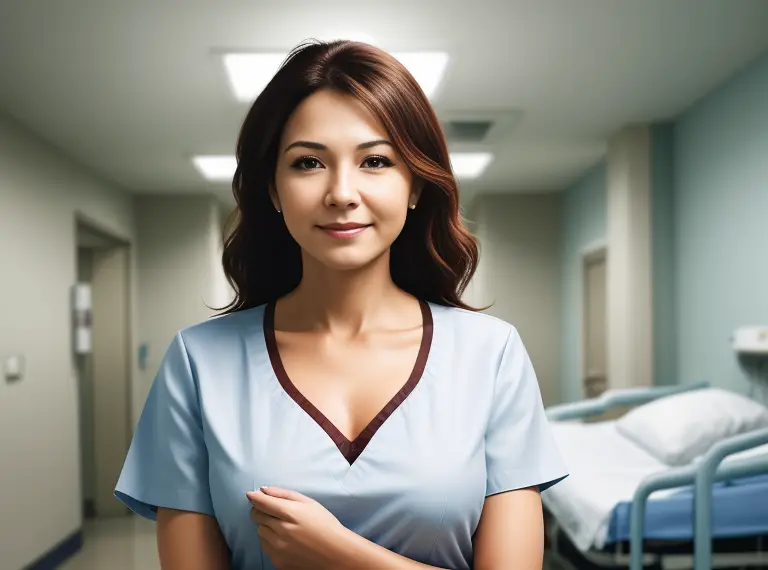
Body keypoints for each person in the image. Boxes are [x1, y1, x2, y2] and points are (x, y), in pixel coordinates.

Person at [114, 39, 568, 570]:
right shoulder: (198, 363)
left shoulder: (491, 356)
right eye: (308, 162)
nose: (342, 192)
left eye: (375, 161)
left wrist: (337, 552)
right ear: (274, 190)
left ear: (415, 185)